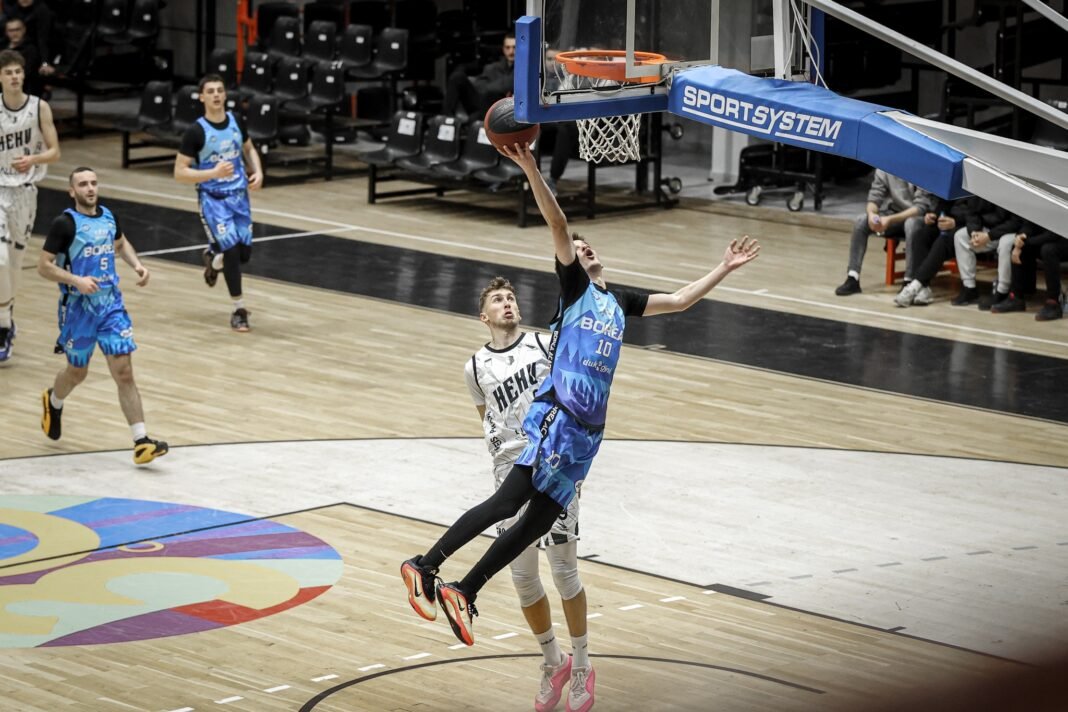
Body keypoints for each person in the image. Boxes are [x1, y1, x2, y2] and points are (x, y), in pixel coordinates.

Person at [401, 141, 759, 704]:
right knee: (508, 503)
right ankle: (426, 564)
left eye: (590, 247)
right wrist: (529, 167)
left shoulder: (620, 303)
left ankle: (465, 590)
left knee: (535, 524)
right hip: (557, 419)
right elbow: (558, 223)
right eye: (578, 247)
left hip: (586, 438)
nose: (583, 249)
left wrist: (723, 268)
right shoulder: (574, 291)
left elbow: (680, 301)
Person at [464, 276, 590, 712]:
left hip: (554, 465)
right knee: (522, 577)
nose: (507, 303)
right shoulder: (475, 367)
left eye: (511, 298)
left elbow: (573, 393)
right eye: (498, 299)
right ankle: (554, 660)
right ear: (484, 316)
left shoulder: (543, 344)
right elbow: (489, 420)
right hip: (510, 473)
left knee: (564, 571)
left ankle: (582, 664)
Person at [37, 167, 169, 465]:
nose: (90, 188)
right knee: (77, 373)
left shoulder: (109, 216)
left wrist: (137, 265)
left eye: (93, 183)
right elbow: (44, 266)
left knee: (124, 372)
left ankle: (141, 441)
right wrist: (76, 280)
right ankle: (53, 401)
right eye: (83, 184)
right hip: (78, 309)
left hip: (110, 305)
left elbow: (121, 244)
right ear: (72, 191)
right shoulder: (64, 224)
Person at [173, 73, 263, 332]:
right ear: (202, 97)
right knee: (232, 252)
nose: (216, 95)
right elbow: (179, 172)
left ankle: (213, 256)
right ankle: (239, 310)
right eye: (210, 91)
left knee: (243, 254)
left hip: (239, 197)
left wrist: (258, 171)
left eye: (219, 90)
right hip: (213, 200)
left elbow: (248, 148)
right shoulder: (196, 131)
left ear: (225, 95)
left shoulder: (236, 121)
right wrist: (212, 173)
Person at [0, 48, 59, 363]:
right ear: (0, 77)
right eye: (8, 72)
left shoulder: (39, 108)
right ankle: (2, 324)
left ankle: (6, 316)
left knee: (13, 263)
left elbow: (55, 152)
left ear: (24, 75)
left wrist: (33, 159)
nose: (14, 77)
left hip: (25, 191)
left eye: (18, 72)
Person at [834, 169, 936, 296]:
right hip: (894, 213)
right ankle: (853, 277)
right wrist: (872, 214)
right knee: (861, 221)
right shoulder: (885, 167)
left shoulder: (923, 168)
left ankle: (908, 281)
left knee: (911, 224)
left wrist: (889, 220)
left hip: (921, 218)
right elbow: (874, 197)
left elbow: (920, 208)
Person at [992, 224, 1068, 320]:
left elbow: (1054, 234)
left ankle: (1053, 302)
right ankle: (1016, 298)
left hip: (1063, 238)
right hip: (1048, 239)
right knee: (1020, 247)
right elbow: (1029, 224)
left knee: (1048, 250)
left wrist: (1026, 242)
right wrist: (1021, 237)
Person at [443, 33, 515, 118]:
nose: (511, 51)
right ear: (503, 49)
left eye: (514, 47)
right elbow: (479, 86)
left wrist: (492, 86)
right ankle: (447, 119)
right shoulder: (492, 67)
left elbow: (508, 85)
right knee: (457, 77)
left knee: (490, 96)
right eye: (508, 47)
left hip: (500, 108)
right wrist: (498, 87)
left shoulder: (523, 70)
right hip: (480, 102)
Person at [4, 17, 40, 95]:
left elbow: (27, 72)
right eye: (11, 30)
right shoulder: (2, 47)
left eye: (17, 29)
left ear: (24, 30)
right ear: (6, 32)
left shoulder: (31, 49)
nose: (14, 33)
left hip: (25, 91)